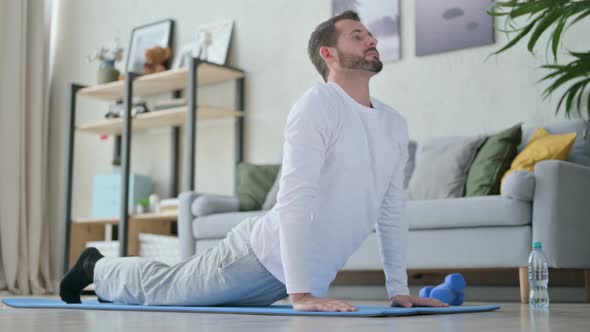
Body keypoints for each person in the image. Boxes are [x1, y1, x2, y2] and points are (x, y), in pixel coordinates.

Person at [60, 10, 447, 312]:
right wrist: (301, 294)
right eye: (357, 35)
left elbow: (392, 210)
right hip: (259, 259)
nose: (372, 39)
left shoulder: (393, 123)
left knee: (174, 283)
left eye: (370, 35)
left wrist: (399, 291)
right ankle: (96, 267)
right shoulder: (317, 106)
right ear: (328, 54)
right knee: (165, 290)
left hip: (297, 277)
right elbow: (295, 199)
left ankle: (101, 268)